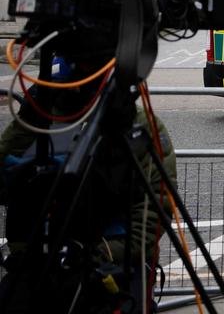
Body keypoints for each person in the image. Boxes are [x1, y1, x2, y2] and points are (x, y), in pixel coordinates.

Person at [0, 71, 177, 314]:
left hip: (111, 266)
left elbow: (154, 215)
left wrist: (101, 252)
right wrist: (29, 119)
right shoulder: (38, 118)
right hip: (35, 265)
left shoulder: (138, 125)